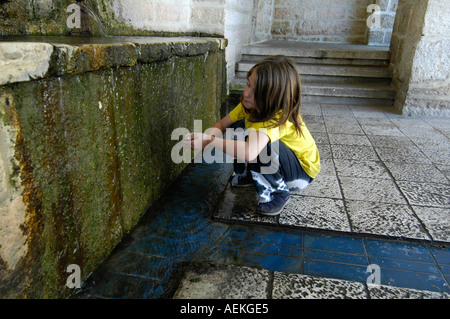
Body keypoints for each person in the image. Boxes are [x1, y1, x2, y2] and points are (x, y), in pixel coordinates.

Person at [185, 55, 320, 216]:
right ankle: (247, 175)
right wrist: (206, 139)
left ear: (273, 99)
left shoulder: (276, 118)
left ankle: (277, 193)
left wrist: (211, 141)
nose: (247, 93)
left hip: (301, 172)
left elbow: (249, 152)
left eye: (256, 92)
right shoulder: (249, 105)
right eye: (248, 84)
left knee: (260, 146)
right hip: (281, 162)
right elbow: (222, 124)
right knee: (239, 126)